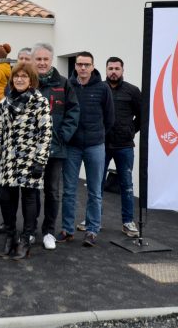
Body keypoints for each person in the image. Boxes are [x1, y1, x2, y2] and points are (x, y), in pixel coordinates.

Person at [0, 62, 52, 260]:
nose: (19, 79)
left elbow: (45, 132)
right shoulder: (4, 102)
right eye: (16, 76)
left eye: (24, 76)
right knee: (4, 197)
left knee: (29, 199)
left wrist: (40, 160)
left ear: (31, 80)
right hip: (8, 160)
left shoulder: (39, 101)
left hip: (30, 159)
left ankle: (26, 239)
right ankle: (11, 236)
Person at [32, 43, 80, 250]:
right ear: (33, 60)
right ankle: (30, 230)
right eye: (38, 59)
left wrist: (63, 136)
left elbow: (73, 111)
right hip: (30, 149)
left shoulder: (63, 83)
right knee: (31, 191)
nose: (42, 63)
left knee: (52, 191)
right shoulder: (26, 81)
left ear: (51, 60)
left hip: (55, 148)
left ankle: (49, 231)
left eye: (46, 59)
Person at [65, 51, 114, 247]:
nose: (83, 68)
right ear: (75, 66)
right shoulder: (68, 86)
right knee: (68, 190)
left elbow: (109, 118)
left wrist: (98, 135)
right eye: (79, 64)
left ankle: (92, 230)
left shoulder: (103, 88)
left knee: (95, 191)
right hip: (72, 146)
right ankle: (67, 230)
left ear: (93, 66)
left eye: (87, 64)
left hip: (95, 145)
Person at [104, 57, 142, 238]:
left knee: (126, 185)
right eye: (110, 68)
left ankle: (128, 222)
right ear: (106, 70)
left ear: (122, 70)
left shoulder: (133, 91)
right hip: (101, 144)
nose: (113, 71)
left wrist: (130, 131)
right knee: (96, 184)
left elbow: (142, 116)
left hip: (124, 146)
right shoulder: (100, 89)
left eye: (117, 68)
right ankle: (92, 220)